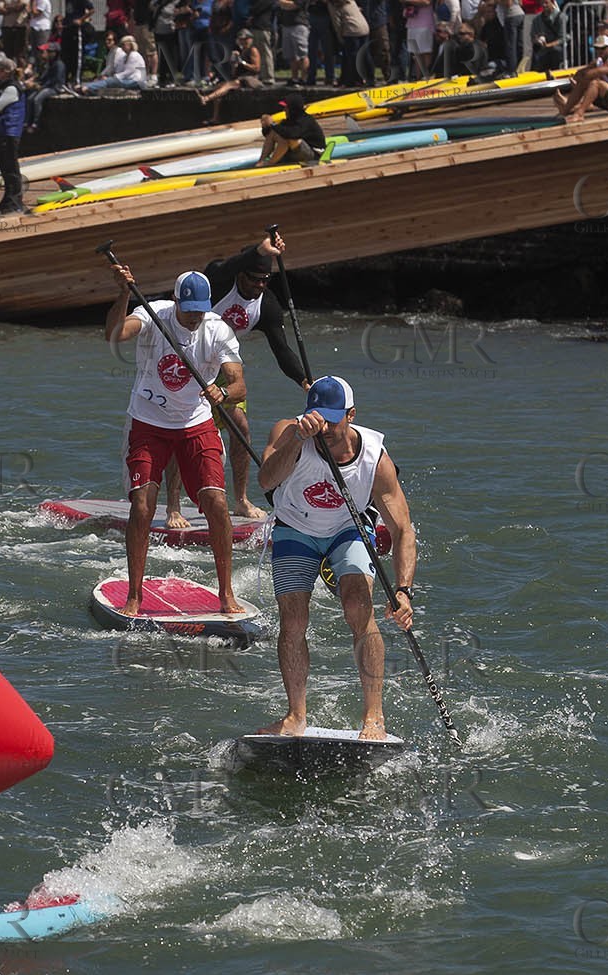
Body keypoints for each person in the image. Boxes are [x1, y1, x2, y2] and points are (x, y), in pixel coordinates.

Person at [256, 375, 416, 741]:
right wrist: (296, 440)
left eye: (332, 418)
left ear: (351, 415)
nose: (324, 427)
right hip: (295, 527)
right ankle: (296, 715)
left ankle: (374, 716)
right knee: (293, 619)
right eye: (318, 417)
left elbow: (404, 530)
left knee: (359, 607)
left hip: (349, 526)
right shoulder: (293, 432)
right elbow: (266, 480)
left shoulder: (376, 460)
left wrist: (404, 590)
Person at [105, 264, 247, 617]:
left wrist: (223, 392)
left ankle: (225, 593)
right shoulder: (153, 315)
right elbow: (115, 334)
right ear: (175, 301)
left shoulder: (218, 331)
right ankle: (134, 596)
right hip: (148, 421)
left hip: (195, 423)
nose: (197, 316)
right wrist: (124, 292)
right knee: (142, 506)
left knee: (216, 502)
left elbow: (239, 385)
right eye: (190, 310)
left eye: (202, 309)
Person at [163, 232, 308, 525]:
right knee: (183, 434)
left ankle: (240, 500)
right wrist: (258, 249)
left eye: (264, 280)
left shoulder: (266, 304)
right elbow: (221, 267)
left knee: (240, 427)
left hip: (221, 367)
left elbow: (282, 349)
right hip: (185, 361)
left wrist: (305, 381)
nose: (259, 285)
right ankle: (173, 507)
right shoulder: (218, 283)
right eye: (253, 278)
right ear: (241, 273)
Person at [554, 33, 608, 122]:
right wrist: (580, 81)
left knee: (595, 83)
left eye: (602, 48)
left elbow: (588, 74)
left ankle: (579, 114)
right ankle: (565, 111)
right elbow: (579, 74)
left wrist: (581, 78)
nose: (599, 51)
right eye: (597, 48)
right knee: (584, 83)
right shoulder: (598, 62)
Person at [0, 57, 26, 214]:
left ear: (6, 72)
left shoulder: (11, 88)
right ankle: (7, 199)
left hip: (9, 132)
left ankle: (15, 201)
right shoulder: (0, 88)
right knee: (4, 168)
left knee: (11, 168)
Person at [198, 28, 259, 120]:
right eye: (241, 40)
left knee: (230, 85)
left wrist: (242, 63)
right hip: (240, 79)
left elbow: (256, 68)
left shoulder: (253, 50)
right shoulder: (240, 52)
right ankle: (215, 118)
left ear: (249, 39)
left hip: (251, 79)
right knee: (219, 86)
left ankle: (206, 98)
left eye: (244, 39)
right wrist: (234, 64)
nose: (242, 42)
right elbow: (234, 73)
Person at [259, 90, 325, 165]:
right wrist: (266, 126)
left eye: (286, 108)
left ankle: (270, 164)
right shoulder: (289, 119)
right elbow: (269, 134)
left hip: (313, 155)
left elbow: (293, 135)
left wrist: (273, 124)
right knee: (275, 132)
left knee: (287, 138)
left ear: (293, 109)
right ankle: (261, 162)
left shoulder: (306, 120)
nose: (284, 110)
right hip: (296, 152)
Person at [80, 32, 147, 91]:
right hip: (130, 80)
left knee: (111, 81)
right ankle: (86, 87)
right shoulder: (125, 56)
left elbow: (128, 72)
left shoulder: (134, 55)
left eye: (124, 44)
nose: (122, 46)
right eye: (121, 45)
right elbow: (120, 70)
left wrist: (113, 77)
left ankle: (87, 88)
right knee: (108, 80)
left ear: (130, 44)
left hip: (137, 82)